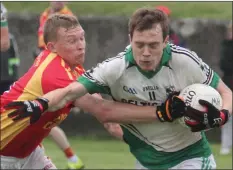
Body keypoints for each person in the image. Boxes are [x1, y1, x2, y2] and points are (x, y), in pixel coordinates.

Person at [5, 8, 232, 169]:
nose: (145, 52)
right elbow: (100, 109)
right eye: (72, 41)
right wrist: (162, 113)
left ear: (166, 42)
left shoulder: (185, 60)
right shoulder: (94, 69)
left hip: (189, 157)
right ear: (129, 39)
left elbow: (227, 93)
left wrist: (222, 114)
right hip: (5, 153)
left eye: (82, 38)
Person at [36, 2, 84, 168]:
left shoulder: (67, 17)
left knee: (43, 118)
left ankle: (71, 158)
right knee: (42, 119)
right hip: (43, 63)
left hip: (54, 67)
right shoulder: (45, 14)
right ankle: (71, 158)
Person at [219, 20, 233, 155]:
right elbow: (224, 64)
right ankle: (225, 145)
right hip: (229, 85)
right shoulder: (227, 46)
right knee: (227, 116)